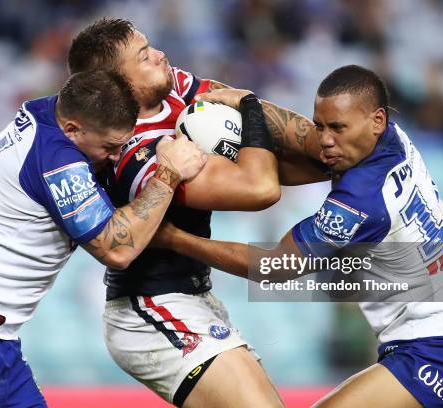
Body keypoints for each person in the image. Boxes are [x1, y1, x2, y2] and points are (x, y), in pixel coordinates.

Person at [153, 65, 443, 407]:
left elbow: (272, 267)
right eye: (321, 126)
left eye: (337, 128)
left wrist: (174, 238)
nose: (326, 140)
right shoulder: (393, 138)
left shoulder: (361, 201)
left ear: (376, 120)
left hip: (441, 358)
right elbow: (302, 147)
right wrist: (250, 105)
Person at [0, 70, 206, 407]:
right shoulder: (56, 161)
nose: (115, 157)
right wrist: (167, 174)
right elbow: (118, 249)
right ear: (72, 129)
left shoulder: (48, 112)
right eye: (109, 147)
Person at [67, 18, 329, 407]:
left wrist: (334, 150)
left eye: (151, 46)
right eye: (144, 57)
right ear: (118, 84)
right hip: (150, 306)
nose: (160, 55)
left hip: (195, 296)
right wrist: (250, 107)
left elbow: (305, 151)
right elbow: (260, 188)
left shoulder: (175, 89)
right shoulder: (136, 154)